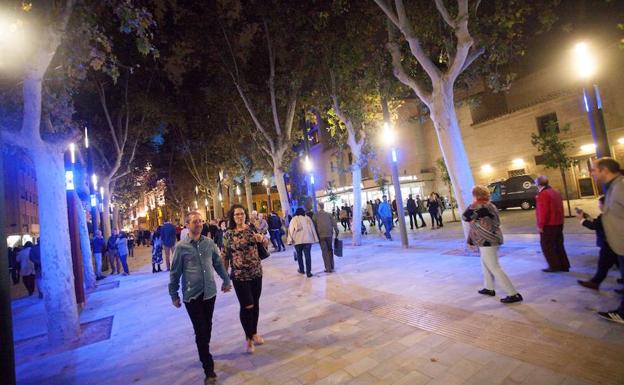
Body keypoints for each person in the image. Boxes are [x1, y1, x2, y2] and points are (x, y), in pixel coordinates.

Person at [169, 211, 232, 384]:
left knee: (207, 326)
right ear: (187, 225)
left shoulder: (209, 243)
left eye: (200, 221)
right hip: (192, 295)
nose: (198, 224)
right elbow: (175, 273)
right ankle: (208, 368)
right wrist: (173, 294)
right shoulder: (181, 247)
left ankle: (204, 350)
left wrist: (226, 280)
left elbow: (218, 264)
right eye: (194, 222)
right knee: (200, 329)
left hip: (209, 292)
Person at [463, 186, 523, 304]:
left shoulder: (478, 205)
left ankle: (513, 294)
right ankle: (489, 287)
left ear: (475, 195)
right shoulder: (490, 205)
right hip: (492, 238)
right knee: (485, 263)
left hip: (486, 240)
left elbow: (465, 216)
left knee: (494, 266)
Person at [223, 204, 269, 354]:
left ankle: (254, 333)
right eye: (236, 214)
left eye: (242, 214)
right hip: (239, 275)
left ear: (245, 215)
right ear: (232, 217)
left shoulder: (252, 229)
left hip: (256, 272)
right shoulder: (228, 234)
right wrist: (225, 277)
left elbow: (266, 244)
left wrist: (262, 238)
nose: (239, 216)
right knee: (247, 305)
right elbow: (225, 256)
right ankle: (248, 338)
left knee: (255, 304)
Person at [590, 158, 624, 324]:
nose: (592, 173)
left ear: (605, 170)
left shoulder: (620, 186)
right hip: (619, 245)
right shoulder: (613, 186)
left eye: (594, 170)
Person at [576, 196, 620, 290]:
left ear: (604, 205)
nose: (599, 206)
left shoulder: (606, 216)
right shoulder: (613, 213)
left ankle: (595, 283)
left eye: (599, 204)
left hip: (609, 244)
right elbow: (598, 222)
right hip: (616, 243)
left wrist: (582, 220)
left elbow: (595, 225)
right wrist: (587, 217)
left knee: (603, 264)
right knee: (619, 262)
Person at [535, 175, 570, 272]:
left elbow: (543, 211)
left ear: (537, 184)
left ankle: (554, 266)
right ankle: (564, 265)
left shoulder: (542, 194)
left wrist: (541, 225)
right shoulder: (556, 192)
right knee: (558, 244)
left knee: (547, 246)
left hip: (548, 224)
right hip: (558, 223)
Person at [287, 207, 319, 277]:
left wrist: (289, 240)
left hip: (297, 241)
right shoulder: (307, 219)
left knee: (299, 256)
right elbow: (312, 229)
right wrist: (315, 238)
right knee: (308, 256)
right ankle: (308, 272)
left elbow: (291, 230)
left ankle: (301, 270)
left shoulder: (294, 219)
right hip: (308, 240)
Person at [314, 202, 340, 273]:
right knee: (330, 250)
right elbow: (334, 223)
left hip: (321, 236)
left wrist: (315, 236)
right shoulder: (329, 214)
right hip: (329, 235)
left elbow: (314, 226)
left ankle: (328, 268)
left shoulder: (315, 215)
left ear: (319, 207)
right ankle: (332, 266)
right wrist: (337, 232)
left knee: (324, 252)